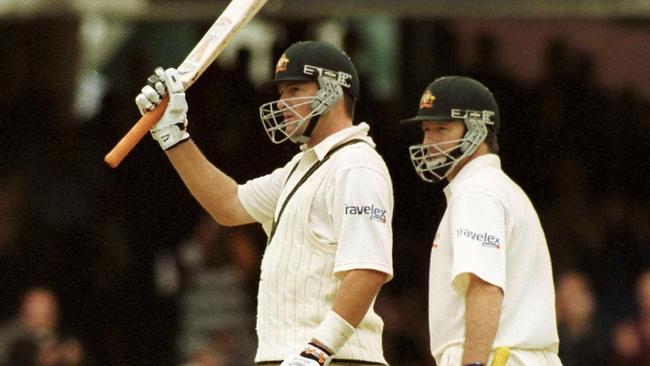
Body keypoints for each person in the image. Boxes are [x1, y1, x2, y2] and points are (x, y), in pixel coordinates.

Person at [135, 40, 394, 366]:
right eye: (281, 92)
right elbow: (228, 205)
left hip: (333, 358)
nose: (283, 103)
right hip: (292, 356)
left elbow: (367, 270)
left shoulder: (356, 165)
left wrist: (317, 350)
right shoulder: (300, 170)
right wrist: (172, 134)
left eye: (295, 90)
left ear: (332, 89)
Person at [400, 76, 562, 366]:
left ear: (476, 129)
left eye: (441, 129)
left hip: (496, 357)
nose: (428, 142)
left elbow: (485, 286)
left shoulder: (477, 192)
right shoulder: (497, 188)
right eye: (426, 130)